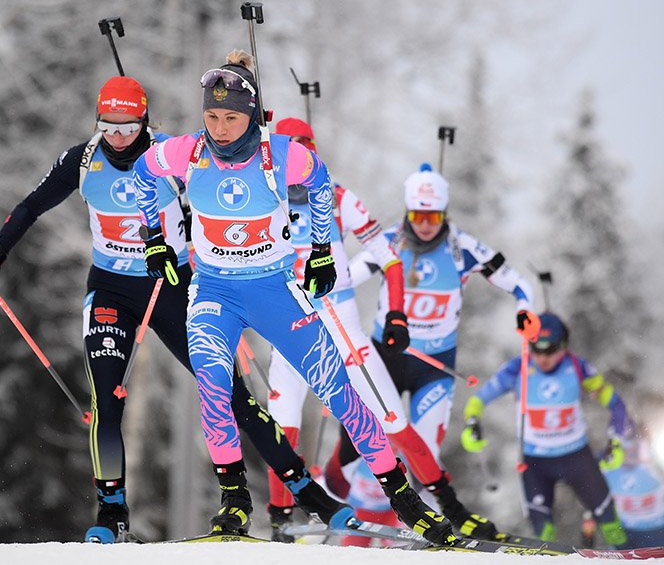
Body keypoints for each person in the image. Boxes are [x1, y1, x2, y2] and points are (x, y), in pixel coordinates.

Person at [0, 76, 345, 543]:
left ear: (145, 122)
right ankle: (111, 513)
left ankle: (305, 492)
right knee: (105, 398)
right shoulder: (81, 160)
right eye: (108, 126)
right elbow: (29, 207)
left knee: (231, 395)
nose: (118, 137)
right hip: (110, 289)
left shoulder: (173, 155)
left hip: (172, 286)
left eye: (128, 128)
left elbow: (232, 173)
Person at [131, 50, 456, 545]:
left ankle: (405, 500)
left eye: (231, 117)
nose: (219, 127)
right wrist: (153, 236)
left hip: (273, 288)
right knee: (215, 387)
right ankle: (236, 501)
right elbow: (141, 175)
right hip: (215, 291)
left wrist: (323, 249)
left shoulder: (279, 153)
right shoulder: (186, 152)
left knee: (340, 392)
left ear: (251, 114)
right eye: (212, 116)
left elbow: (320, 181)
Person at [263, 118, 499, 542]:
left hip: (344, 330)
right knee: (283, 423)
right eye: (286, 155)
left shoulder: (335, 198)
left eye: (303, 154)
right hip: (292, 326)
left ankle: (452, 511)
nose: (294, 167)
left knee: (394, 422)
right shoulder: (263, 197)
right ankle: (280, 517)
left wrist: (396, 316)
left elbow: (388, 257)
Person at [323, 162, 538, 492]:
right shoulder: (389, 242)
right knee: (359, 441)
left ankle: (420, 521)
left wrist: (525, 309)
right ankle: (329, 502)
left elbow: (517, 282)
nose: (425, 225)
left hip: (435, 366)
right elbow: (345, 277)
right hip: (386, 359)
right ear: (408, 212)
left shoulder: (463, 248)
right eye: (419, 216)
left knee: (424, 452)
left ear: (444, 214)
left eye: (434, 217)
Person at [460, 312, 631, 547]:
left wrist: (617, 442)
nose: (542, 357)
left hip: (576, 456)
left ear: (564, 346)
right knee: (542, 534)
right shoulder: (516, 368)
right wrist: (472, 425)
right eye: (536, 349)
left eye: (550, 350)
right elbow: (478, 401)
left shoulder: (579, 368)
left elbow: (617, 406)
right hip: (536, 463)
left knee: (611, 523)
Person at [597, 430, 664, 547]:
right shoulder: (607, 466)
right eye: (626, 449)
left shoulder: (653, 461)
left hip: (657, 528)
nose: (630, 453)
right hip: (626, 530)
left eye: (635, 448)